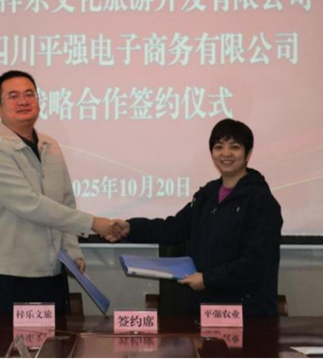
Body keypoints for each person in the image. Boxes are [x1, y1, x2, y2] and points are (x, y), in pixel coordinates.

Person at [0, 70, 121, 315]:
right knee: (8, 341)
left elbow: (65, 202)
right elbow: (32, 205)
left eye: (29, 94)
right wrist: (94, 223)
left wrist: (72, 252)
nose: (23, 101)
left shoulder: (50, 145)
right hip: (9, 277)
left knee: (56, 340)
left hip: (52, 272)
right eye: (13, 96)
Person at [113, 118, 283, 318]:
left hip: (247, 313)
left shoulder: (261, 201)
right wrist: (130, 227)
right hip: (205, 309)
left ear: (248, 153)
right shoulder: (206, 196)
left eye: (234, 147)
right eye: (219, 147)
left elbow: (255, 262)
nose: (226, 153)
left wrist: (207, 279)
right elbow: (172, 228)